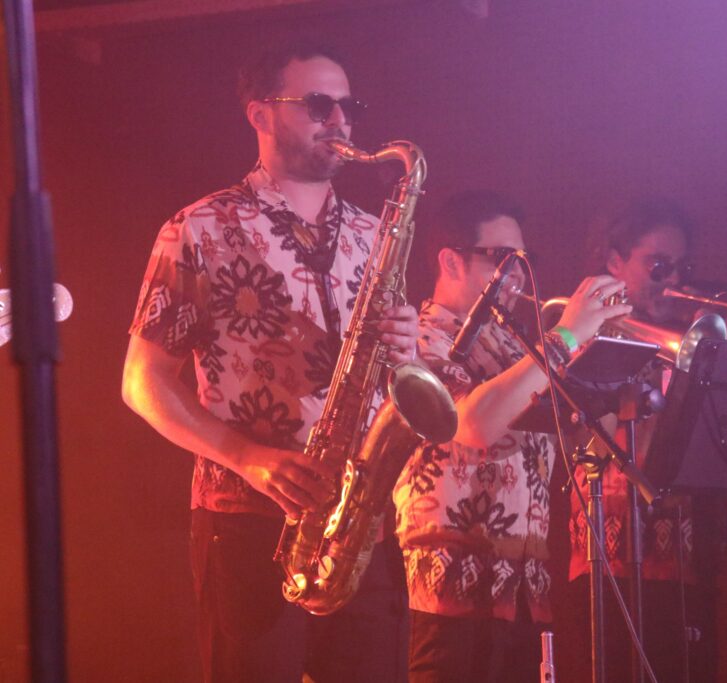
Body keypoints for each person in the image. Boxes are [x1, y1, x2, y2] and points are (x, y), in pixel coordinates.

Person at [122, 42, 416, 683]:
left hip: (362, 526)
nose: (339, 121)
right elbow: (142, 383)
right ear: (259, 114)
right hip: (250, 522)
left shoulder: (374, 233)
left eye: (348, 106)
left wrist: (406, 347)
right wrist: (247, 458)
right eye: (317, 104)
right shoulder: (198, 228)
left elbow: (390, 377)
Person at [391, 190, 632, 682]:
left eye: (524, 260)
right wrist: (565, 338)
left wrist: (608, 354)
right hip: (445, 587)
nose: (518, 274)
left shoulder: (523, 348)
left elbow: (593, 446)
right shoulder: (418, 337)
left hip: (525, 589)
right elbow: (470, 426)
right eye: (502, 258)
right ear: (451, 262)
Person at [567, 197, 724, 682]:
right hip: (607, 563)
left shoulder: (683, 336)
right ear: (615, 261)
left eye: (681, 267)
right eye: (658, 265)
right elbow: (582, 442)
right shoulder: (583, 333)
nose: (672, 280)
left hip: (685, 559)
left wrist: (724, 369)